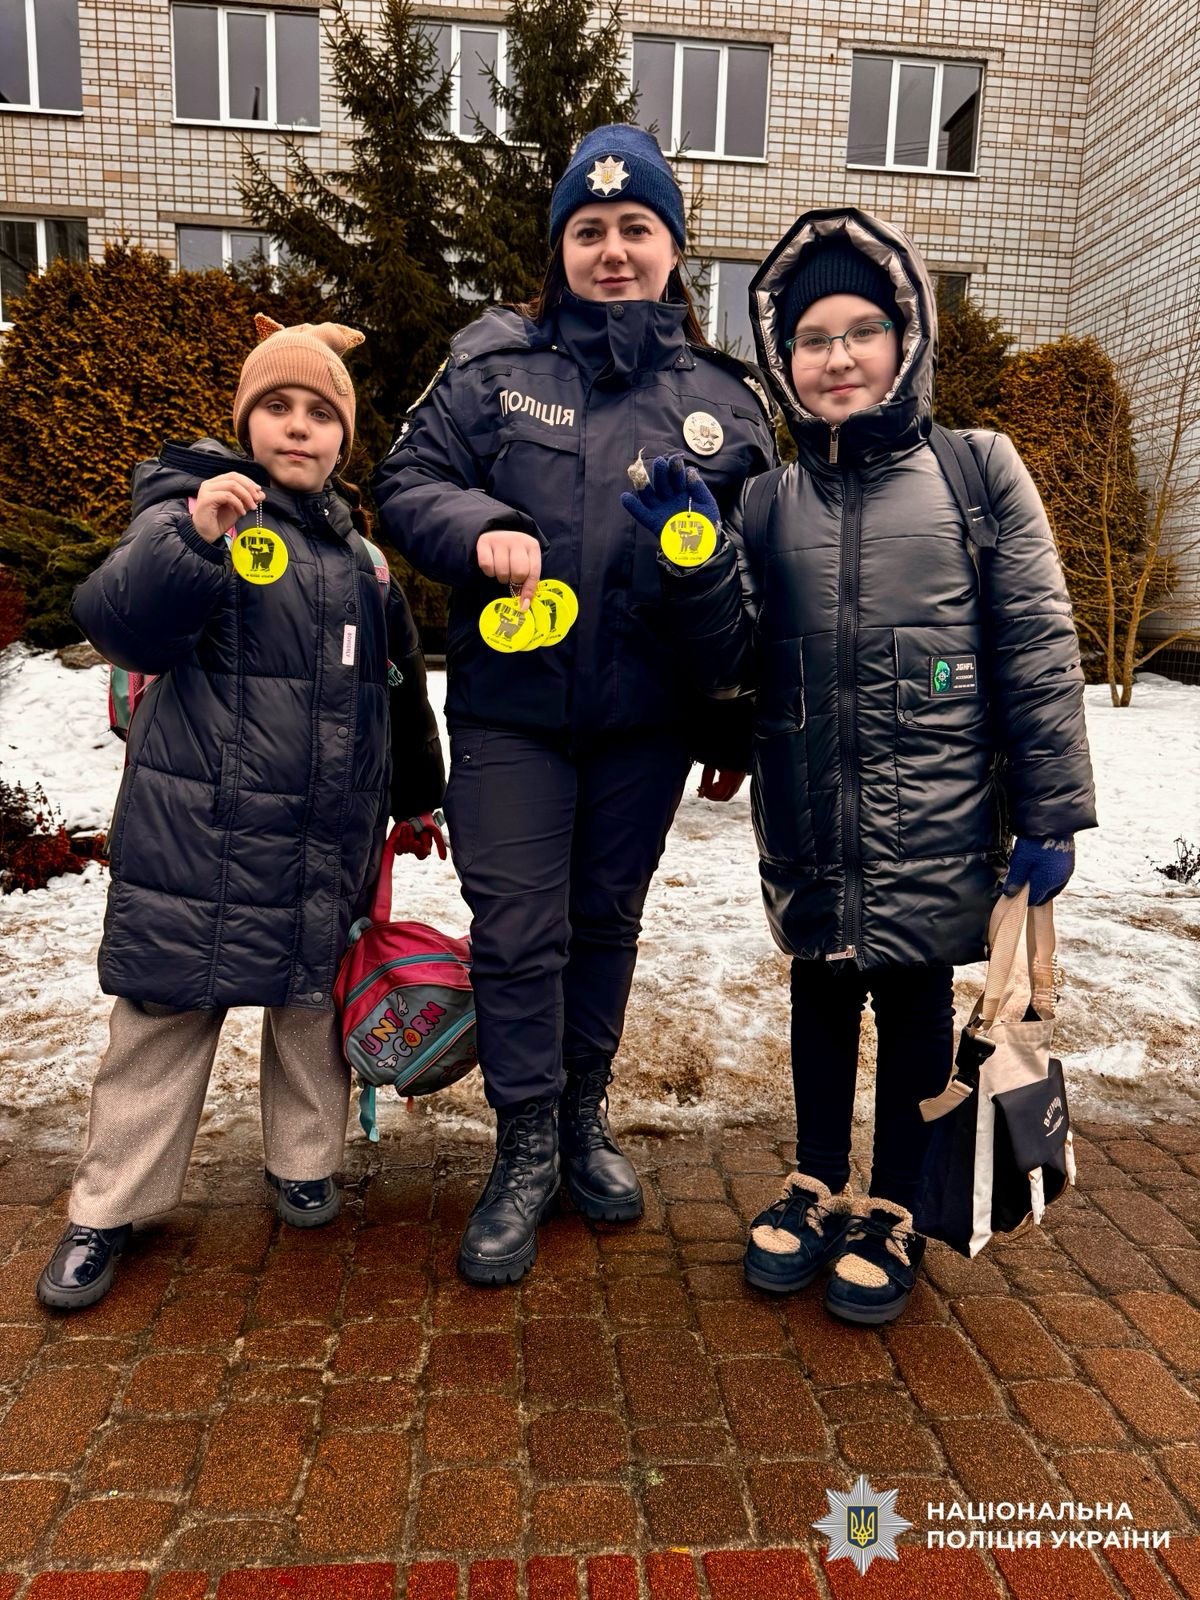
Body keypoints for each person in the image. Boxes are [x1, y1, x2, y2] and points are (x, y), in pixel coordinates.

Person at [623, 208, 1097, 1324]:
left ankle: (890, 1203)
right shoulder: (768, 500)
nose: (836, 356)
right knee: (820, 995)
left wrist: (1052, 809)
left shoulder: (976, 474)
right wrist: (694, 554)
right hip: (808, 813)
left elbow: (1037, 643)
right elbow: (729, 656)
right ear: (782, 361)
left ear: (907, 338)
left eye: (860, 330)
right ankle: (815, 1177)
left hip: (936, 818)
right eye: (810, 337)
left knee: (916, 1001)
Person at [375, 125, 777, 1285]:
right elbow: (406, 482)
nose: (612, 249)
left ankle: (584, 1118)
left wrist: (731, 719)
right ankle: (525, 1142)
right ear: (561, 250)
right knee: (514, 930)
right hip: (512, 712)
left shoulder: (721, 401)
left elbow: (754, 577)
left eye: (635, 229)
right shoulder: (493, 367)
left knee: (603, 922)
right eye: (589, 230)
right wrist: (479, 528)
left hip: (647, 721)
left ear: (673, 251)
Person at [37, 317, 445, 1311]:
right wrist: (195, 536)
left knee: (312, 1010)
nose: (297, 428)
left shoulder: (364, 563)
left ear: (345, 438)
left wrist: (416, 796)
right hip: (199, 839)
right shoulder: (188, 509)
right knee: (165, 1019)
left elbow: (394, 686)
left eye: (320, 413)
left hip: (319, 839)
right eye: (277, 407)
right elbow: (120, 618)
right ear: (244, 421)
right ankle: (107, 1205)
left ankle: (303, 1162)